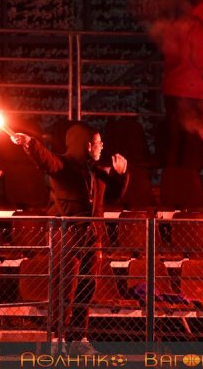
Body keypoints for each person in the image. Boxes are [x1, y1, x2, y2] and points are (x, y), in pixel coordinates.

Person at [10, 123, 129, 343]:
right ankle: (58, 335)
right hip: (68, 236)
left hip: (92, 238)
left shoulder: (98, 171)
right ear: (87, 145)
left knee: (87, 287)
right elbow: (45, 159)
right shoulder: (63, 165)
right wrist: (30, 143)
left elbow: (114, 195)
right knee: (65, 286)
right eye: (98, 143)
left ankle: (79, 337)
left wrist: (120, 176)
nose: (101, 147)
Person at [158, 0, 203, 169]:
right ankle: (187, 182)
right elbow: (201, 61)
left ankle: (170, 180)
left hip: (171, 87)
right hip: (190, 90)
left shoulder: (179, 26)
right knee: (190, 138)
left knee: (174, 138)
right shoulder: (200, 29)